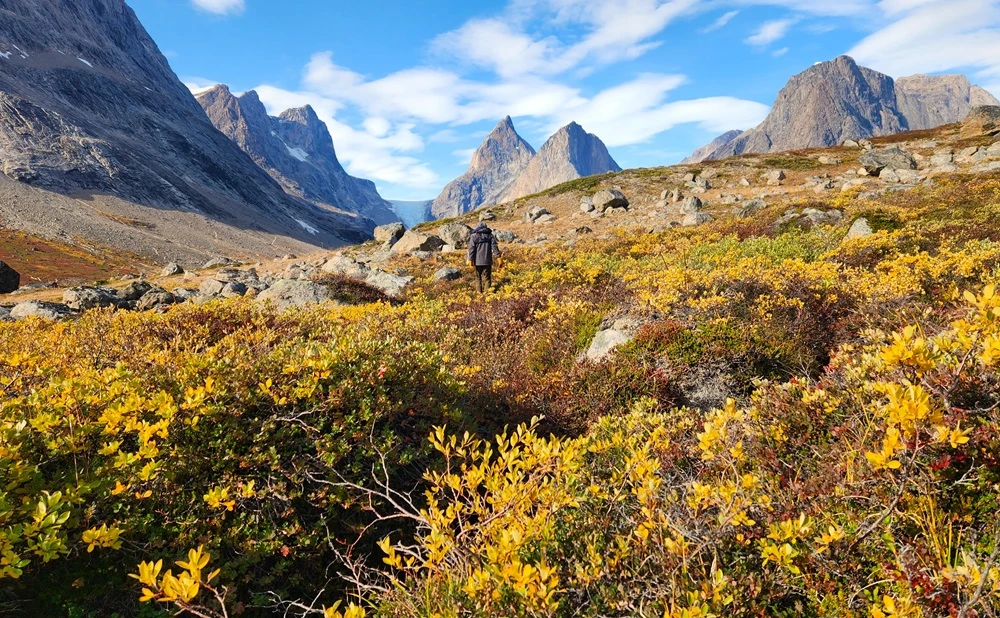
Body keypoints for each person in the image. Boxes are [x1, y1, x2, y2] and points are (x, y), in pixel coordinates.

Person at [467, 223, 502, 294]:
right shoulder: (490, 236)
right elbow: (495, 247)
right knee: (487, 278)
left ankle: (479, 293)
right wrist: (499, 257)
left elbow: (471, 249)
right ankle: (487, 294)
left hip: (477, 261)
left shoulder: (474, 236)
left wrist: (470, 260)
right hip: (487, 261)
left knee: (478, 278)